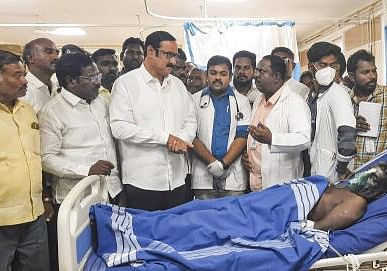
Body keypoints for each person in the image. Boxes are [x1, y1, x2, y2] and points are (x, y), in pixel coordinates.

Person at [90, 162, 387, 270]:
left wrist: (287, 229)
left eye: (375, 180)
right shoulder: (336, 183)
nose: (366, 179)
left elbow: (316, 228)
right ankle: (117, 226)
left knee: (196, 226)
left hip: (264, 218)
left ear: (379, 191)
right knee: (194, 211)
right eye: (369, 172)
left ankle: (122, 240)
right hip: (253, 205)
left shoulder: (356, 202)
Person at [39, 52, 122, 271]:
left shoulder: (102, 101)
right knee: (78, 258)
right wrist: (87, 170)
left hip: (110, 191)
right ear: (71, 81)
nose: (98, 81)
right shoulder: (52, 112)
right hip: (76, 198)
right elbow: (47, 158)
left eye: (97, 75)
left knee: (107, 255)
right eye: (91, 77)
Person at [110, 31, 196, 211]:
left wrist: (181, 139)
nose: (173, 61)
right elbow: (120, 127)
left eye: (175, 55)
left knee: (175, 234)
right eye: (168, 55)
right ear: (150, 51)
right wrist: (165, 139)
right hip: (142, 182)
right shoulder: (125, 84)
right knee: (146, 236)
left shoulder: (178, 86)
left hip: (177, 179)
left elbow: (190, 119)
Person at [0, 50, 49, 271]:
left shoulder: (27, 110)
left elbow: (36, 156)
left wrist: (45, 197)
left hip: (33, 213)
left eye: (24, 75)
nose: (24, 81)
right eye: (17, 75)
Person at [244, 55, 311, 191]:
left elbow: (304, 139)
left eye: (261, 72)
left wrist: (272, 139)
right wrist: (248, 154)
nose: (255, 75)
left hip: (281, 181)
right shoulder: (259, 100)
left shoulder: (294, 102)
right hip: (256, 181)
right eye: (256, 71)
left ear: (276, 77)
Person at [191, 55, 251, 199]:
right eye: (213, 73)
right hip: (202, 176)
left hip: (234, 176)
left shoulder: (241, 101)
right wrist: (212, 162)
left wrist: (223, 164)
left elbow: (242, 136)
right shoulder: (194, 99)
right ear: (206, 75)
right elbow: (191, 135)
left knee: (232, 219)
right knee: (204, 219)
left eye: (223, 74)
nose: (218, 77)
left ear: (230, 77)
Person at [305, 42, 356, 183]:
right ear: (311, 67)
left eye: (333, 65)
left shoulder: (338, 93)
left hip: (334, 173)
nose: (329, 70)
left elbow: (348, 133)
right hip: (317, 167)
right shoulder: (312, 96)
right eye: (323, 65)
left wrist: (342, 168)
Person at [21, 38, 60, 114]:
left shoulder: (57, 86)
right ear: (30, 58)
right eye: (49, 52)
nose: (56, 57)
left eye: (57, 53)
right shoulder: (23, 91)